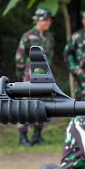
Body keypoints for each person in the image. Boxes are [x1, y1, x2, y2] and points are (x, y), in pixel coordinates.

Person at [14, 8, 55, 146]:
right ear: (37, 20)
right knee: (26, 104)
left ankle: (38, 134)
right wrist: (21, 74)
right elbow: (20, 57)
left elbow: (50, 56)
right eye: (45, 20)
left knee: (43, 104)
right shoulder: (28, 36)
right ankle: (23, 135)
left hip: (45, 77)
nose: (48, 22)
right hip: (30, 76)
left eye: (49, 20)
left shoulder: (49, 37)